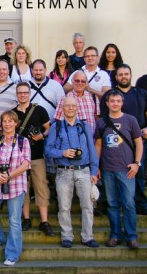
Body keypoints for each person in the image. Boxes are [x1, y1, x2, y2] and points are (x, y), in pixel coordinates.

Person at [100, 64, 147, 216]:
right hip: (114, 144)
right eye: (120, 74)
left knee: (139, 173)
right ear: (116, 77)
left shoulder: (141, 93)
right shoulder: (110, 96)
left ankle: (141, 205)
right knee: (111, 176)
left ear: (131, 75)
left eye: (126, 74)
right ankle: (112, 206)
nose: (123, 77)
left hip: (136, 143)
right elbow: (103, 119)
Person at [45, 96, 99, 248]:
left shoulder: (84, 126)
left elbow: (91, 149)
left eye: (73, 106)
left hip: (84, 170)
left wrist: (94, 171)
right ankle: (66, 236)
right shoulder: (57, 126)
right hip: (64, 172)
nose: (70, 108)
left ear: (77, 108)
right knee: (64, 207)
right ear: (62, 108)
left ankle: (88, 237)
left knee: (88, 206)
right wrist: (63, 153)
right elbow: (48, 150)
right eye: (67, 106)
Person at [95, 89, 144, 249]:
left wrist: (137, 163)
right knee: (112, 203)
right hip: (108, 169)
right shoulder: (101, 122)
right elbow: (99, 145)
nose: (115, 103)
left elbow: (139, 143)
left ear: (122, 103)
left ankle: (131, 236)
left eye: (118, 101)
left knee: (129, 203)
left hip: (126, 169)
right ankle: (115, 235)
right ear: (107, 103)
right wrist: (97, 166)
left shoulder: (130, 120)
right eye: (112, 101)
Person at [0, 111, 31, 267]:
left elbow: (26, 164)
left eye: (11, 121)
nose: (7, 124)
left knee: (15, 220)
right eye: (5, 121)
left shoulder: (23, 142)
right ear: (1, 123)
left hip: (16, 184)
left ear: (16, 123)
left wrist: (9, 175)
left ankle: (12, 254)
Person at [12, 82, 53, 236]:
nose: (22, 95)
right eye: (20, 93)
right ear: (16, 94)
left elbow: (49, 128)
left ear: (29, 93)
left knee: (41, 187)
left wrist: (41, 136)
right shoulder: (13, 113)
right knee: (23, 190)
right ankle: (26, 219)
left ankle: (44, 221)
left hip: (36, 156)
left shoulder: (39, 110)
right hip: (19, 159)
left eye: (25, 92)